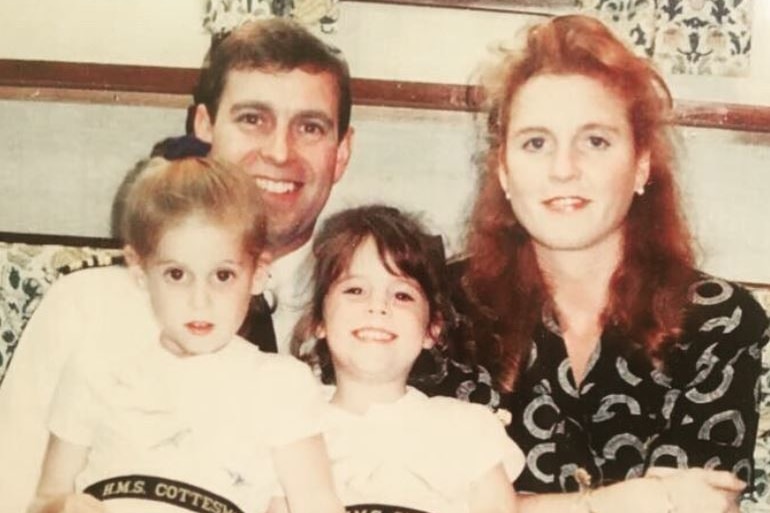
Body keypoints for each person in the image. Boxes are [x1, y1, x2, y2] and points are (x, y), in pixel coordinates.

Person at [0, 18, 353, 512]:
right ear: (203, 126)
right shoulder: (85, 308)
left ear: (342, 153)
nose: (278, 152)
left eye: (310, 127)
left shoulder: (375, 321)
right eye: (253, 118)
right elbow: (16, 491)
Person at [459, 14, 770, 513]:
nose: (564, 168)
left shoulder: (719, 321)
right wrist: (641, 498)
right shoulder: (441, 307)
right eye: (536, 142)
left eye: (595, 141)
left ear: (641, 164)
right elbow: (421, 498)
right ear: (504, 170)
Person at [27, 157, 342, 513]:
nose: (199, 300)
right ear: (140, 272)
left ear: (257, 274)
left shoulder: (279, 384)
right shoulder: (98, 368)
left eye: (222, 276)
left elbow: (317, 505)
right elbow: (45, 498)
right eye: (177, 275)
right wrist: (64, 508)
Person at [279, 205, 522, 513]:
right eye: (355, 290)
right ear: (318, 320)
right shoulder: (290, 426)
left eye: (402, 295)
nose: (378, 306)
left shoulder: (466, 429)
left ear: (431, 329)